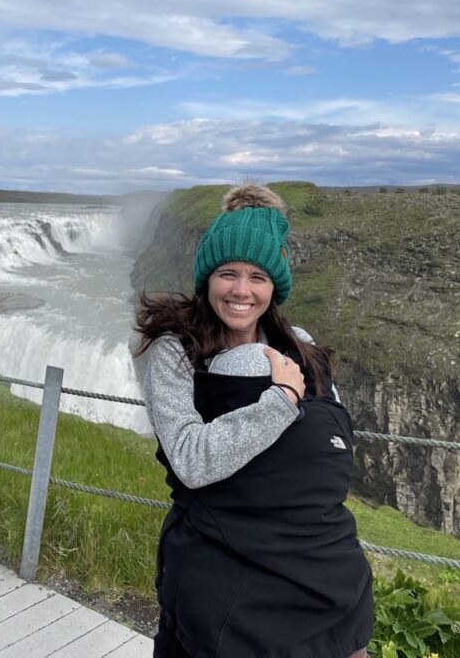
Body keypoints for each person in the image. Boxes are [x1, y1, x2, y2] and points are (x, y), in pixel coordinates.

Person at [134, 181, 373, 658]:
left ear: (275, 286)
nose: (241, 291)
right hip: (223, 575)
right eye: (228, 273)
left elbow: (334, 448)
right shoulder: (175, 353)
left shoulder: (299, 344)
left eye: (257, 277)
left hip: (316, 573)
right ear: (207, 277)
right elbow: (190, 460)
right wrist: (280, 401)